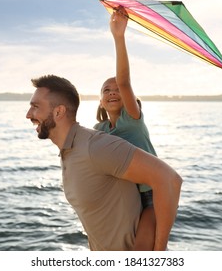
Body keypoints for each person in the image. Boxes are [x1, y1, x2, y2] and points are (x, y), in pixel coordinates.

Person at [26, 74, 182, 251]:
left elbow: (170, 180)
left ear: (59, 111)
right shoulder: (74, 148)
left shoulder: (96, 146)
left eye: (35, 107)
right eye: (106, 91)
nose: (28, 114)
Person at [94, 7, 157, 250]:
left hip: (150, 196)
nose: (112, 92)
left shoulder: (132, 117)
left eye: (116, 89)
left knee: (142, 251)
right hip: (122, 198)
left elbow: (124, 81)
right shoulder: (99, 129)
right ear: (100, 100)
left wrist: (118, 36)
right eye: (106, 90)